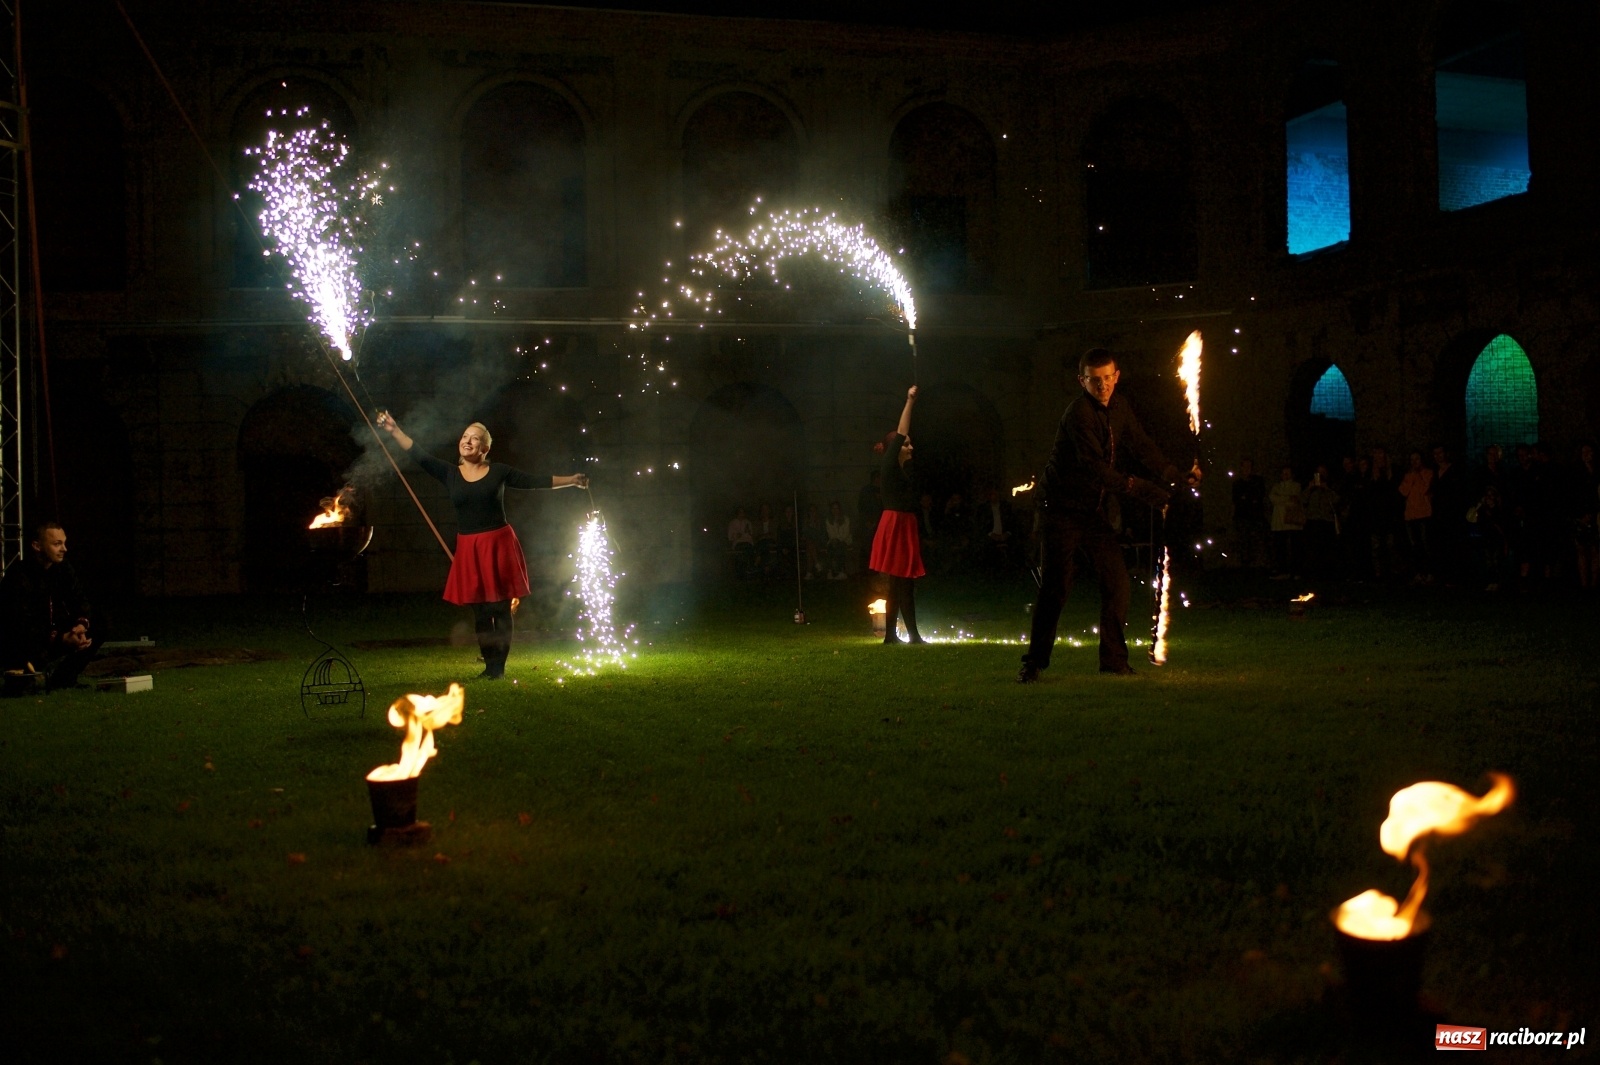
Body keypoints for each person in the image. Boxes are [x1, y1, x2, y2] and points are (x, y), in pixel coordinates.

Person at [1019, 349, 1197, 681]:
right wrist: (1145, 489)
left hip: (1091, 511)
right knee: (1056, 587)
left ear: (1116, 377)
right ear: (1082, 381)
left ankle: (1113, 662)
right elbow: (1095, 468)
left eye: (1107, 378)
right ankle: (1033, 663)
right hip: (1060, 510)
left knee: (1117, 583)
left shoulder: (1120, 407)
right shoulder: (1079, 415)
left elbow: (1141, 445)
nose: (1102, 386)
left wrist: (1173, 474)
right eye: (1094, 380)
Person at [376, 414, 587, 679]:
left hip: (498, 544)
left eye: (475, 439)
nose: (468, 441)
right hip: (470, 548)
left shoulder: (498, 471)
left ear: (484, 448)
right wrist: (394, 430)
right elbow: (419, 455)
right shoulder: (450, 473)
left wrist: (571, 479)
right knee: (480, 610)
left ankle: (499, 668)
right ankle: (489, 666)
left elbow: (532, 481)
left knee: (500, 608)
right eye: (465, 436)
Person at [0, 521, 102, 690]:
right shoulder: (19, 575)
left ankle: (64, 679)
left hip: (53, 635)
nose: (64, 549)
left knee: (99, 624)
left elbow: (79, 600)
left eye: (64, 543)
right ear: (37, 546)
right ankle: (26, 673)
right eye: (57, 544)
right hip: (27, 641)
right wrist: (60, 638)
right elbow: (19, 622)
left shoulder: (63, 569)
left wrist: (80, 626)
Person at [869, 386, 925, 643]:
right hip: (896, 525)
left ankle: (893, 635)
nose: (911, 447)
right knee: (903, 583)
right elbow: (901, 430)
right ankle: (911, 635)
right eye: (906, 444)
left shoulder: (904, 469)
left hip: (903, 525)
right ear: (895, 449)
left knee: (899, 584)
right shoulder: (889, 465)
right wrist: (910, 401)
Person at [1268, 465, 1305, 579]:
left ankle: (1295, 571)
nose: (1286, 475)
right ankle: (1283, 571)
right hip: (1279, 522)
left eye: (1288, 473)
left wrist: (1281, 498)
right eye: (1284, 473)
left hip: (1292, 521)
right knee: (1280, 548)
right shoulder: (1276, 486)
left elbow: (1295, 499)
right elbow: (1272, 498)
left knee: (1295, 548)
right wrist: (1287, 498)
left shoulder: (1296, 486)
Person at [1230, 457, 1268, 569]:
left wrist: (1247, 498)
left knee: (1255, 542)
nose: (1247, 469)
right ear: (1241, 468)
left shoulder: (1258, 481)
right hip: (1242, 517)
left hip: (1255, 517)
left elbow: (1259, 496)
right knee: (1243, 542)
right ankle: (1245, 566)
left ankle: (1255, 565)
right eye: (1245, 466)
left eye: (1249, 466)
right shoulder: (1237, 483)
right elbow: (1236, 499)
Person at [824, 501, 852, 580]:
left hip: (845, 541)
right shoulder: (828, 520)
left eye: (837, 508)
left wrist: (838, 539)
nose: (835, 511)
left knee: (840, 547)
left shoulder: (846, 519)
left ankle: (840, 571)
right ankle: (831, 570)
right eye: (833, 509)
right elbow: (830, 533)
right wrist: (835, 539)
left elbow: (846, 533)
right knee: (831, 548)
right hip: (832, 541)